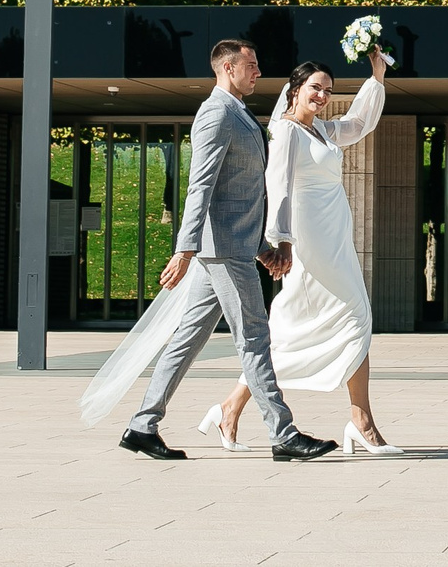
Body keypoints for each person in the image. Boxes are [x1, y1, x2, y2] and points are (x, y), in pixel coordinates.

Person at [118, 38, 337, 463]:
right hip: (220, 252)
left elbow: (241, 193)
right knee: (254, 337)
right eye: (251, 65)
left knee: (187, 339)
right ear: (227, 68)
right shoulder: (216, 114)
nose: (258, 72)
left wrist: (260, 246)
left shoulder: (239, 112)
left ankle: (142, 425)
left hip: (231, 247)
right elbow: (201, 186)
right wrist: (184, 249)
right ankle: (283, 433)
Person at [207, 47, 402, 456]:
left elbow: (361, 122)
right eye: (315, 87)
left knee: (318, 326)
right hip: (307, 241)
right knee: (347, 317)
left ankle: (230, 408)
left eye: (328, 90)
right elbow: (276, 187)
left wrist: (377, 77)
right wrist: (281, 241)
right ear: (295, 89)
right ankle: (362, 422)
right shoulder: (284, 131)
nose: (322, 96)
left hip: (335, 239)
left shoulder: (324, 132)